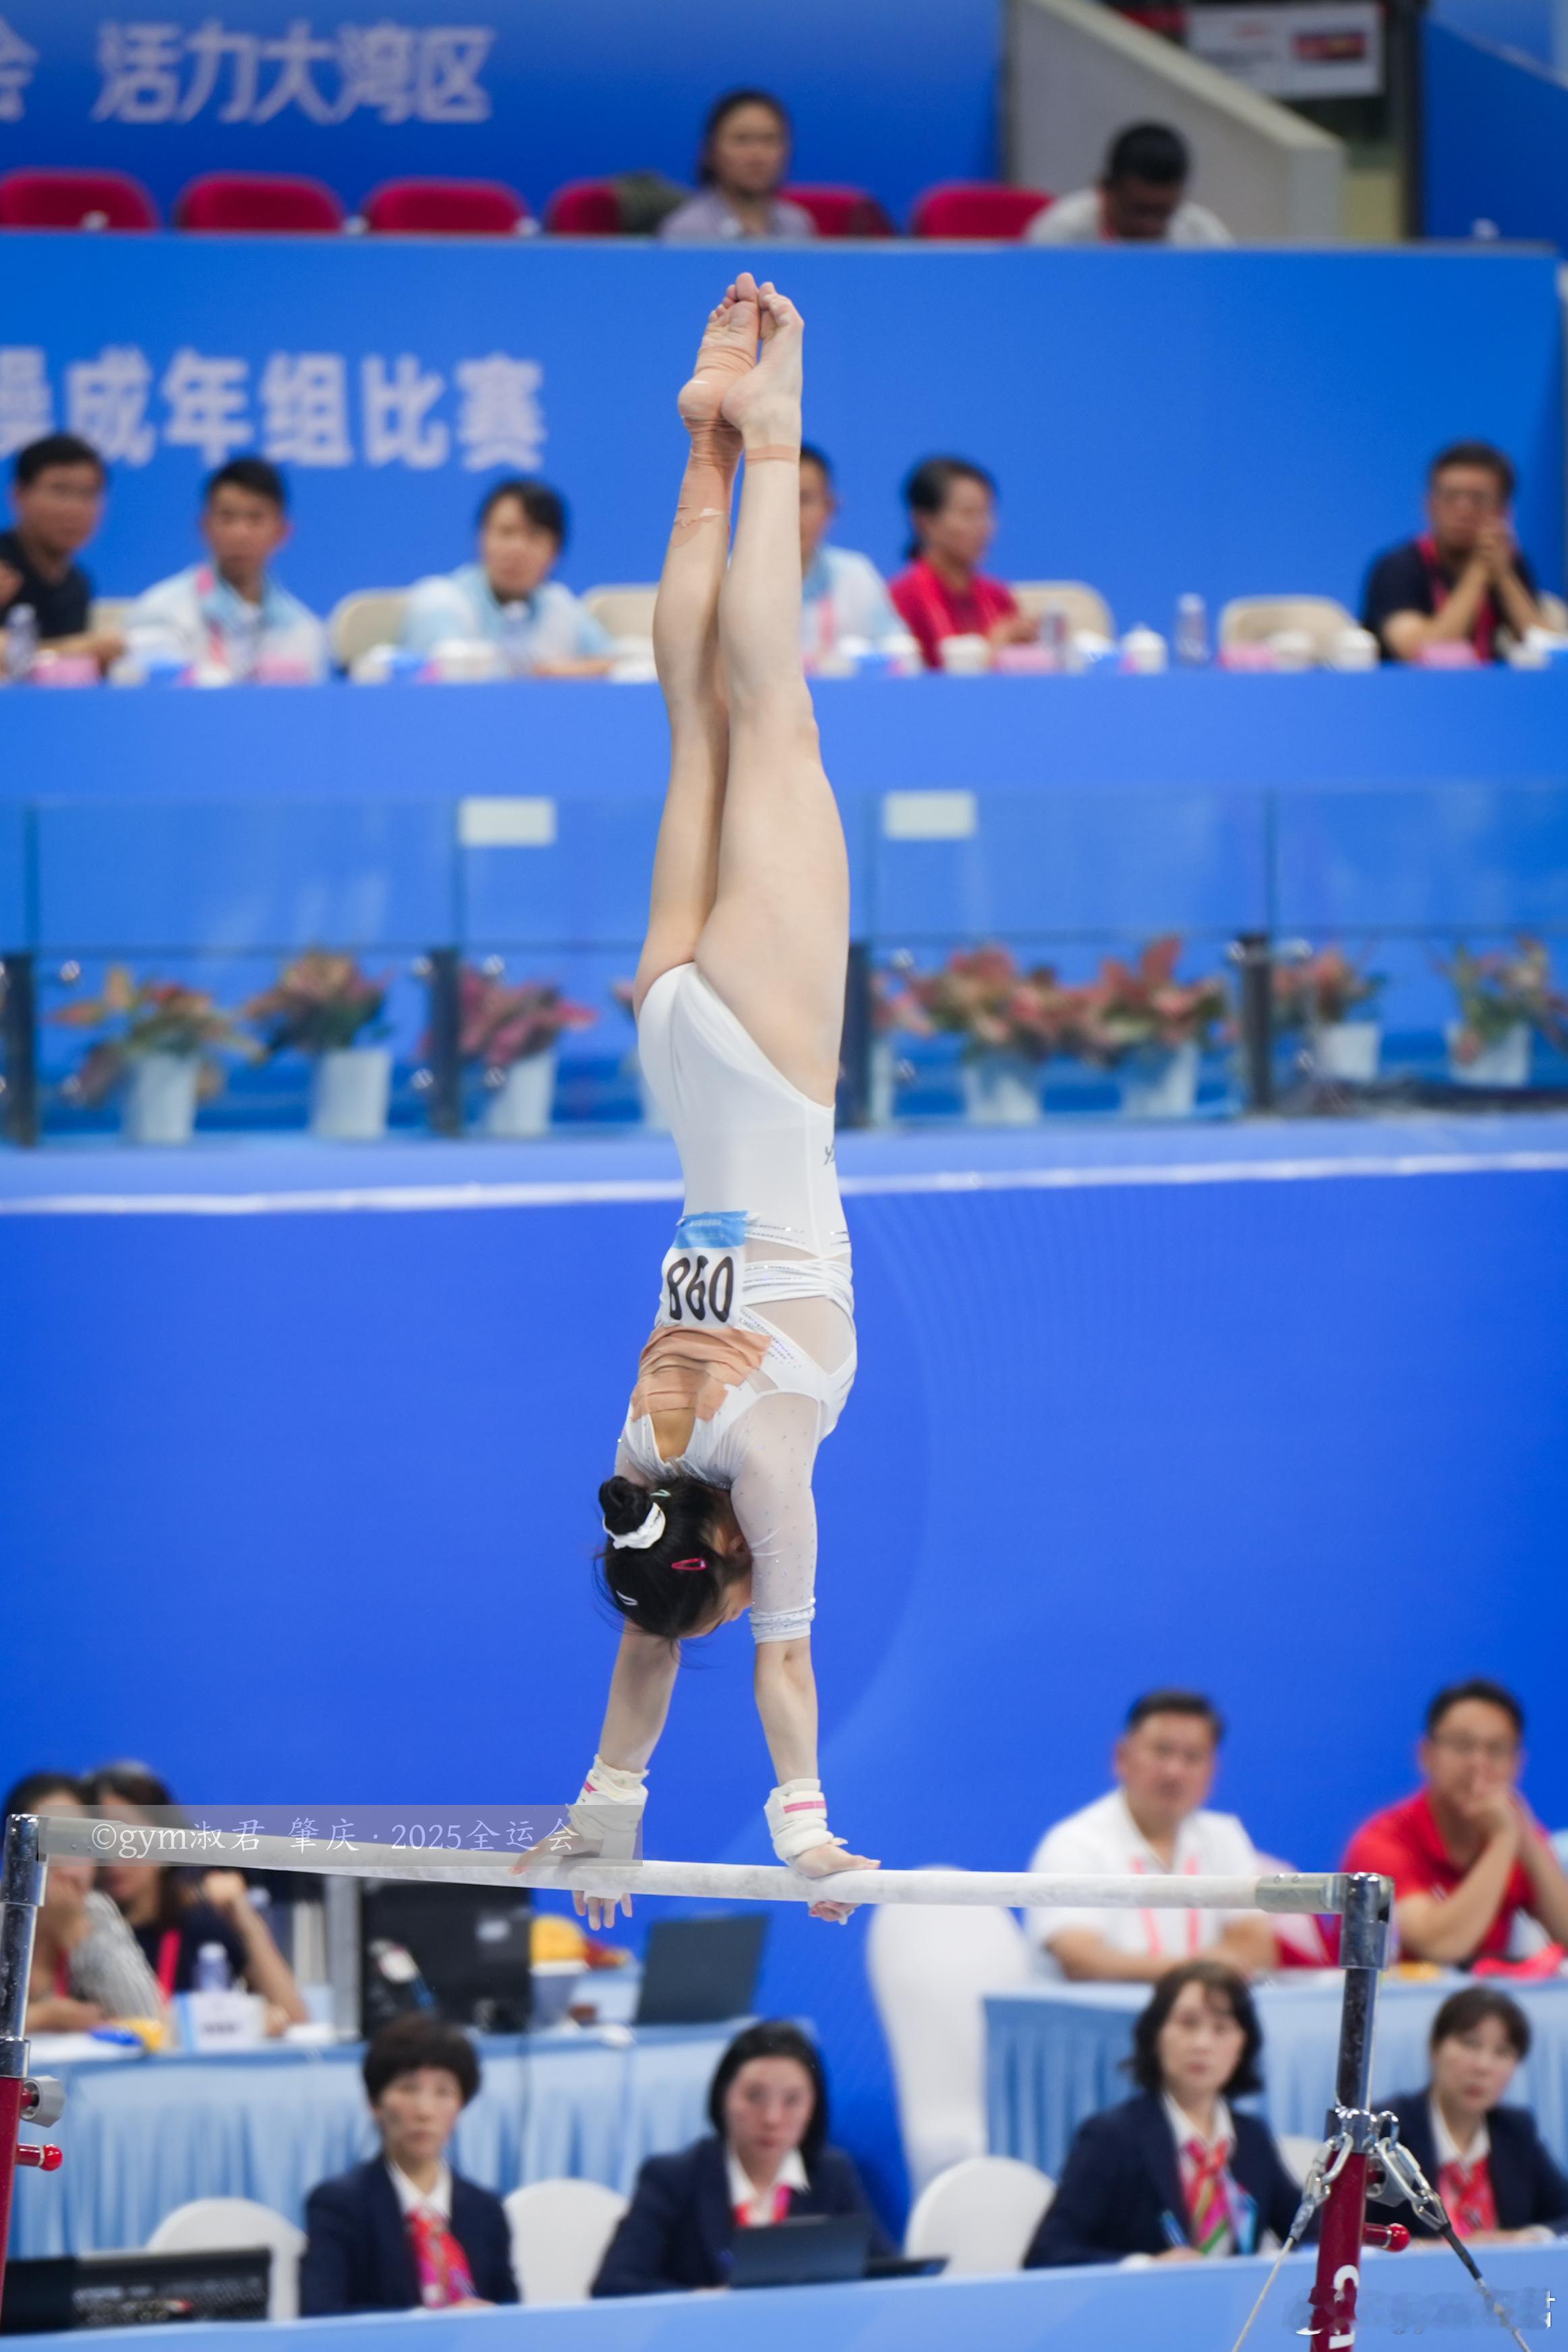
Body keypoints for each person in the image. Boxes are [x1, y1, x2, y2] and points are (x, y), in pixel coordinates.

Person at [533, 274, 873, 1924]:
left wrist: (808, 1839)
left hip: (764, 1063)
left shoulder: (770, 1472)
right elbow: (649, 1640)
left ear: (725, 1561)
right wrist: (602, 1812)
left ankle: (774, 428)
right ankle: (705, 451)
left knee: (768, 714)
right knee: (693, 727)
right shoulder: (643, 1450)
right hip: (676, 1045)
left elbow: (773, 1670)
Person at [1026, 1959, 1306, 2266]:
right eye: (1188, 2023)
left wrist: (1270, 2263)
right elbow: (1047, 2254)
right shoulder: (1112, 2136)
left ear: (1243, 2044)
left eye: (1221, 2028)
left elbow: (1312, 2233)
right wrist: (1146, 2266)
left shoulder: (1251, 2137)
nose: (1202, 2044)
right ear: (1156, 2034)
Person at [593, 2021, 889, 2293]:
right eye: (755, 2096)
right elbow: (614, 2285)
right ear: (723, 2096)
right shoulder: (673, 2179)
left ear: (814, 2107)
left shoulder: (832, 2175)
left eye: (792, 2100)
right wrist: (704, 2302)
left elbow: (887, 2274)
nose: (772, 2118)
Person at [1026, 1691, 1277, 1981]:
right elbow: (1080, 1959)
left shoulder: (1224, 1836)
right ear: (1122, 1757)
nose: (1174, 1771)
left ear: (1212, 1770)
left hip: (1197, 2008)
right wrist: (1198, 1972)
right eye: (1162, 1752)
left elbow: (1258, 1948)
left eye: (1193, 1757)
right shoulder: (1074, 1843)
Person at [299, 2013, 519, 2314]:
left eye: (443, 2092)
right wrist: (426, 2322)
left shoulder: (486, 2210)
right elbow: (321, 2314)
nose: (424, 2111)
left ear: (460, 2107)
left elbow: (513, 2316)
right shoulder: (340, 2206)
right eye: (408, 2089)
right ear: (375, 2104)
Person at [1343, 1679, 1568, 1967]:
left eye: (1496, 1749)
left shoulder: (1519, 1834)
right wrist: (1502, 1841)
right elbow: (1438, 1947)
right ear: (1426, 1755)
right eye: (1463, 1745)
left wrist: (1528, 1843)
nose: (1478, 1763)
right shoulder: (1382, 1841)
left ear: (1517, 1763)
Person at [84, 1761, 308, 2030]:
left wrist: (246, 1920)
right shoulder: (76, 1935)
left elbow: (295, 2019)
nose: (111, 1856)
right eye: (99, 1838)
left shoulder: (201, 1929)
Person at [1380, 1988, 1568, 2245]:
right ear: (1435, 2047)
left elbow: (1563, 2215)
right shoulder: (1389, 2130)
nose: (1483, 2066)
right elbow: (1354, 2231)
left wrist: (1526, 2238)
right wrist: (1424, 2250)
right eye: (1470, 2044)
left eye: (1503, 2052)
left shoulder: (1515, 2131)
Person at [124, 455, 328, 681]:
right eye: (227, 517)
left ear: (282, 532)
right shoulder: (161, 610)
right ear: (205, 526)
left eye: (255, 519)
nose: (240, 533)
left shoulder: (304, 630)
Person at [1, 1772, 163, 2034]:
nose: (67, 1868)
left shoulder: (95, 1911)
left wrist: (80, 1936)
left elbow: (149, 2016)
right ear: (13, 1851)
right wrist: (42, 2017)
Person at [400, 479, 613, 675]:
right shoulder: (441, 601)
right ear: (482, 538)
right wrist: (542, 676)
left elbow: (618, 665)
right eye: (506, 532)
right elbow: (449, 676)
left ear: (555, 552)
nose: (517, 549)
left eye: (534, 535)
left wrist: (559, 672)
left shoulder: (559, 606)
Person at [1362, 442, 1544, 664]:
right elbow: (1420, 653)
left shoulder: (1508, 564)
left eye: (1478, 499)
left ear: (1503, 511)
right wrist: (1479, 571)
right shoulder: (1397, 568)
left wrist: (1504, 576)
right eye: (1450, 496)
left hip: (1488, 685)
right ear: (1430, 505)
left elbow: (1548, 650)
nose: (1463, 510)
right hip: (1413, 686)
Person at [889, 457, 1036, 669]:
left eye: (987, 513)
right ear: (924, 522)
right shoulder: (902, 600)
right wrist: (993, 647)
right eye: (968, 514)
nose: (984, 527)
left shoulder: (998, 598)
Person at [0, 434, 123, 669]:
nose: (73, 509)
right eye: (60, 491)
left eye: (88, 494)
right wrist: (77, 650)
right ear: (19, 496)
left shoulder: (77, 584)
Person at [1027, 122, 1233, 246]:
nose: (1150, 226)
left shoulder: (1202, 235)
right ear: (1105, 189)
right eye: (1139, 211)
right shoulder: (1059, 235)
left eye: (1163, 213)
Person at [658, 90, 816, 245]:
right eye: (741, 139)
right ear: (710, 151)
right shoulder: (685, 231)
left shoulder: (796, 224)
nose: (757, 156)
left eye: (769, 140)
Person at [797, 444, 903, 668]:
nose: (791, 514)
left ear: (830, 507)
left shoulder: (856, 575)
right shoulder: (731, 576)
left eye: (804, 499)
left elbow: (899, 655)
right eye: (777, 502)